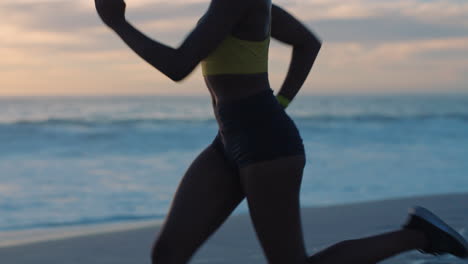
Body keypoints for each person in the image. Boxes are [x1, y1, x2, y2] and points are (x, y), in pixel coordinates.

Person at [94, 0, 468, 263]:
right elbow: (308, 43)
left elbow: (177, 66)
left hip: (265, 143)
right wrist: (282, 103)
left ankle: (420, 234)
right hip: (229, 142)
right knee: (168, 254)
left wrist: (117, 23)